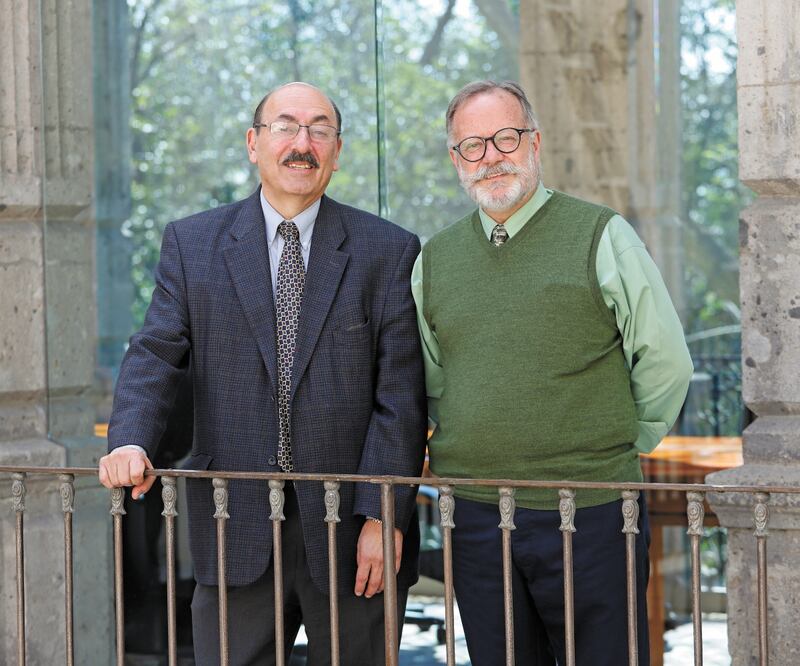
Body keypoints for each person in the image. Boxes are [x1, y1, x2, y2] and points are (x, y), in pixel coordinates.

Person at [98, 82, 427, 665]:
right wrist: (129, 437)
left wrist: (383, 514)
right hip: (234, 524)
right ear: (254, 143)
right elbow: (155, 351)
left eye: (319, 129)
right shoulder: (193, 244)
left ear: (337, 149)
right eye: (286, 126)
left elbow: (399, 397)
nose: (303, 143)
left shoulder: (389, 250)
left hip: (350, 534)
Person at [413, 80, 693, 665]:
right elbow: (435, 380)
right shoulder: (434, 259)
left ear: (535, 142)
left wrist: (615, 443)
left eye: (505, 138)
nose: (490, 156)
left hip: (589, 507)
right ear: (455, 160)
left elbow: (665, 360)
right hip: (475, 512)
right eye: (472, 145)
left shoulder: (601, 235)